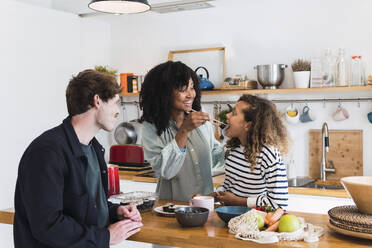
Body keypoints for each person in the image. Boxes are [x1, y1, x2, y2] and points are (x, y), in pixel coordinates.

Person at [14, 69, 143, 248]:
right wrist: (105, 237)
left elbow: (82, 205)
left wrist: (114, 211)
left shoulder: (93, 148)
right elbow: (47, 225)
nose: (117, 112)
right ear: (97, 101)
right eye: (115, 103)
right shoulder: (47, 152)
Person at [139, 61, 225, 202]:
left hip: (206, 206)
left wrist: (235, 146)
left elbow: (214, 157)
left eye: (192, 87)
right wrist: (185, 130)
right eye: (182, 89)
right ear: (164, 93)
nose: (190, 95)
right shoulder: (151, 127)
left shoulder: (201, 121)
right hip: (171, 209)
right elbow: (166, 170)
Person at [213, 94, 289, 209]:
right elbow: (229, 185)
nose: (227, 115)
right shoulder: (233, 149)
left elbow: (279, 203)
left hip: (256, 223)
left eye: (234, 113)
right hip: (231, 219)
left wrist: (238, 201)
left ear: (247, 125)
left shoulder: (268, 154)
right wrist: (212, 196)